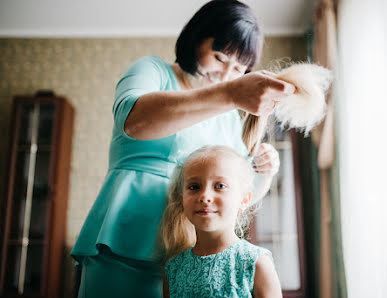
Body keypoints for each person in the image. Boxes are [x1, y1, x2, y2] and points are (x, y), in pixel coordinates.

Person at [71, 0, 295, 297]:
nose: (226, 76)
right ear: (196, 38)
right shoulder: (153, 70)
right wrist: (228, 94)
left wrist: (264, 170)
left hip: (190, 255)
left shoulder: (227, 115)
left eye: (238, 69)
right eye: (219, 57)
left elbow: (238, 190)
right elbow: (133, 120)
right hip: (125, 236)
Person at [162, 145, 282, 297]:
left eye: (220, 186)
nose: (205, 196)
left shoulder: (255, 263)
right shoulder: (173, 269)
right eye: (194, 187)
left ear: (244, 199)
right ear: (182, 200)